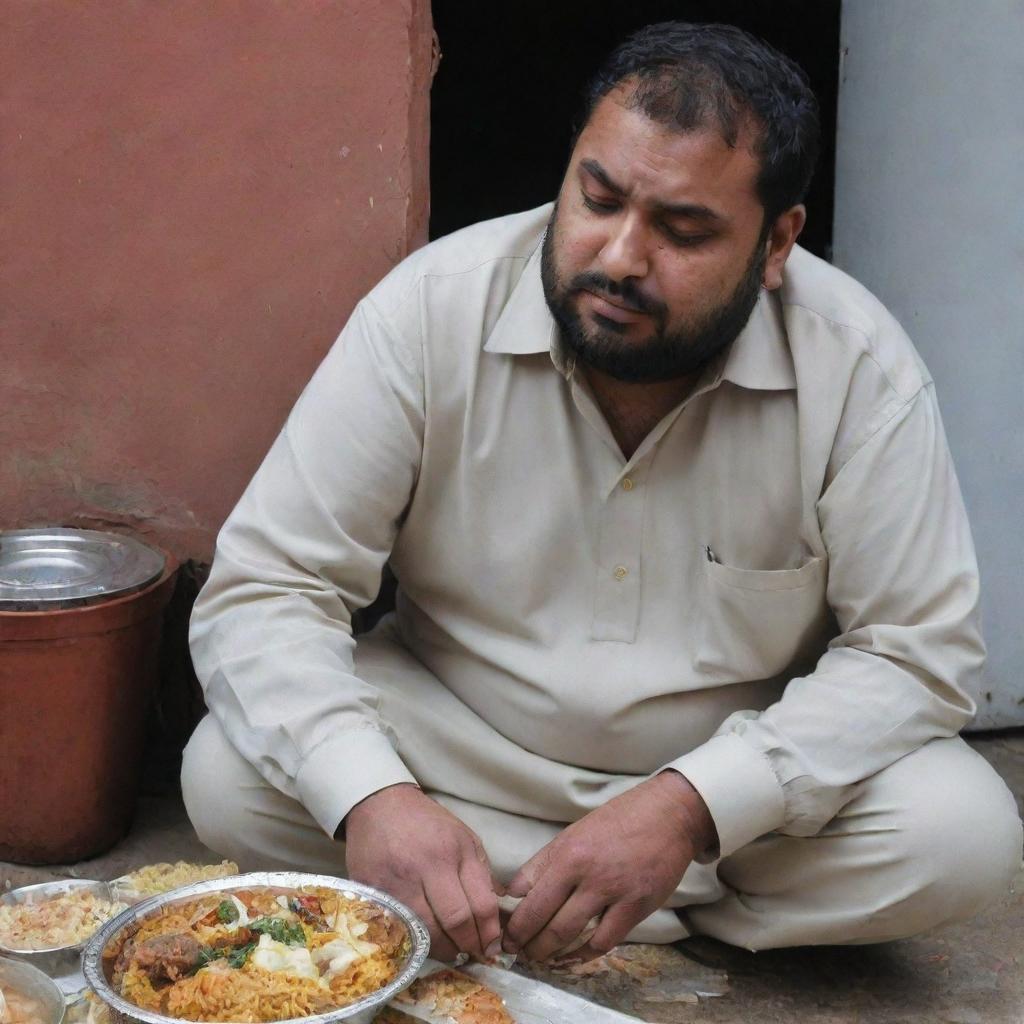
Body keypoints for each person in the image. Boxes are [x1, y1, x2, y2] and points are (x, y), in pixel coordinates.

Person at [182, 22, 1022, 964]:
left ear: (778, 241)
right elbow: (267, 588)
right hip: (461, 746)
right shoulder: (428, 312)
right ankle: (599, 905)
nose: (619, 257)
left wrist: (688, 809)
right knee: (224, 775)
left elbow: (915, 654)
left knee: (961, 836)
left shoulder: (858, 367)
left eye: (684, 230)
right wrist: (378, 797)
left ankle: (511, 901)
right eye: (599, 198)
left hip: (726, 782)